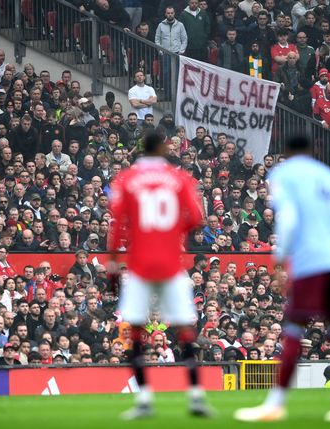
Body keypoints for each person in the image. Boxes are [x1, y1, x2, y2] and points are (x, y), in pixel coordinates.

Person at [235, 136, 330, 422]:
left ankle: (276, 403)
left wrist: (280, 260)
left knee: (292, 329)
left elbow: (289, 217)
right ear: (313, 151)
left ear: (288, 154)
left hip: (311, 261)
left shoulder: (285, 174)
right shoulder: (329, 177)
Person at [109, 132, 211, 419]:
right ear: (164, 149)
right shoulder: (179, 179)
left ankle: (143, 400)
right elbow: (196, 218)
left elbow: (117, 226)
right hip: (171, 265)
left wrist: (114, 266)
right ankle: (196, 397)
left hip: (140, 266)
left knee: (137, 331)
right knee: (185, 330)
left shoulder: (128, 179)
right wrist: (172, 234)